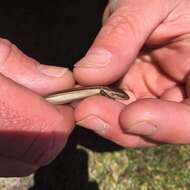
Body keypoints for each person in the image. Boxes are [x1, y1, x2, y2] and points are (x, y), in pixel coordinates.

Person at [0, 0, 189, 176]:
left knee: (80, 123)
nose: (120, 96)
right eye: (117, 95)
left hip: (91, 30)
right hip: (18, 33)